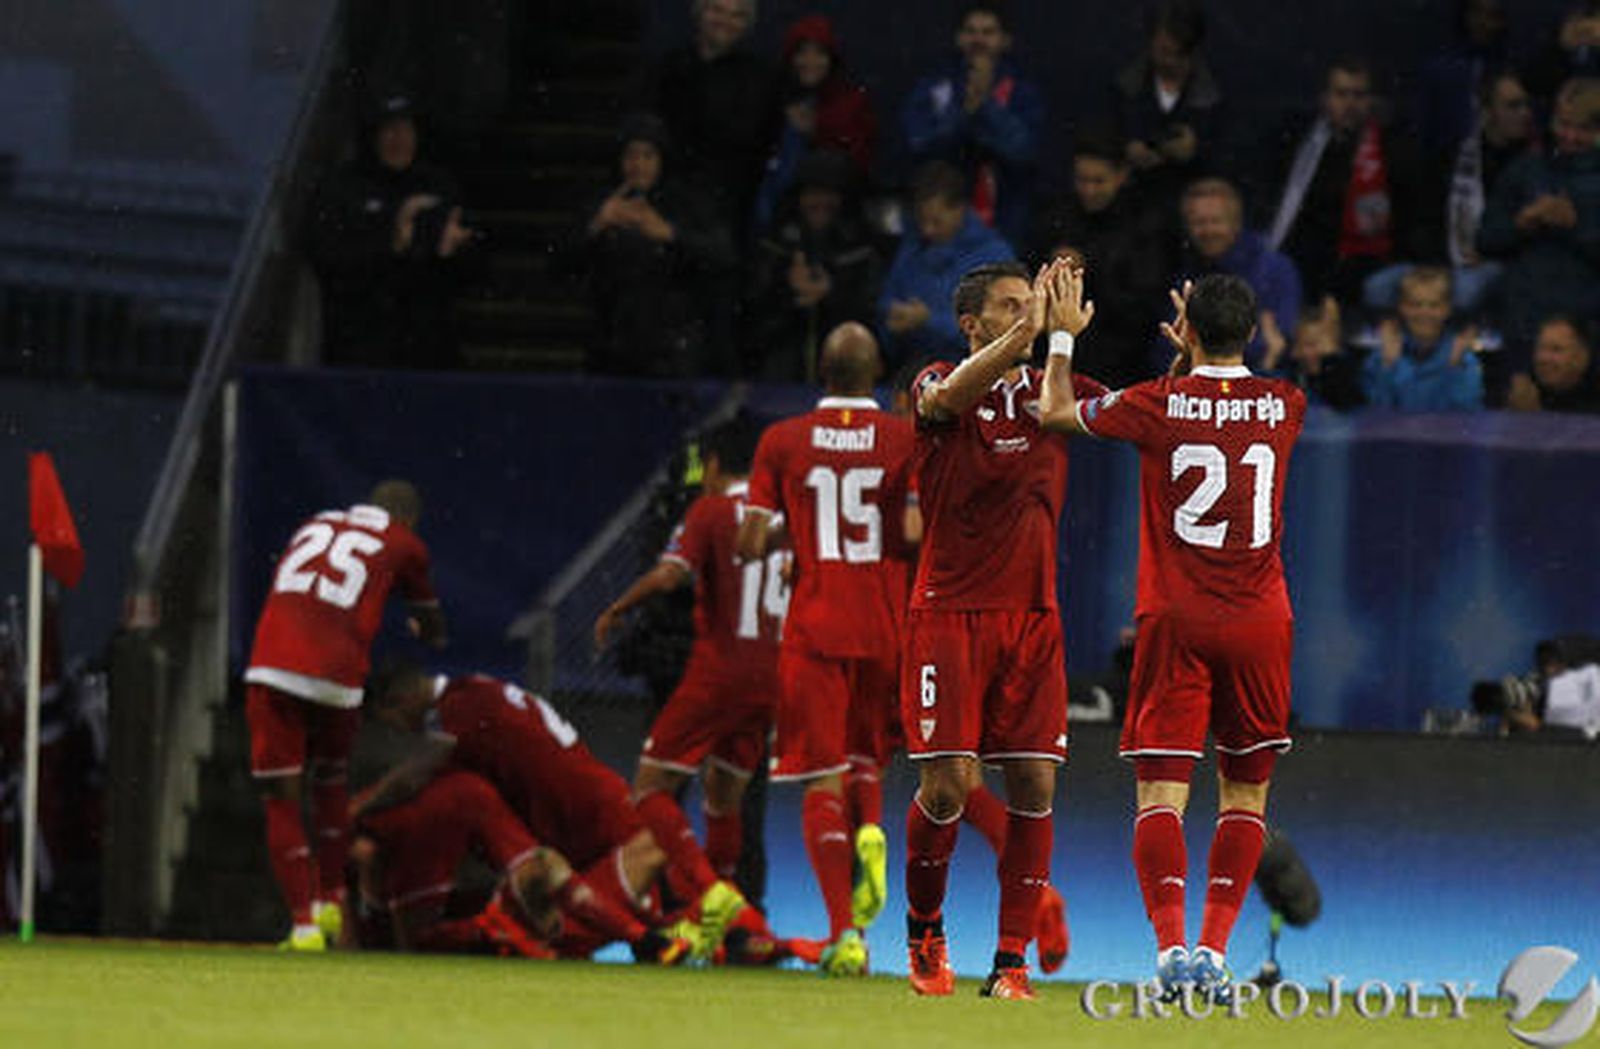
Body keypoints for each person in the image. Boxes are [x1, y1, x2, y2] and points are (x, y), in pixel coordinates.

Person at [1039, 270, 1306, 1007]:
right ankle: (1214, 954)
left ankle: (1169, 951)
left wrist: (1061, 337)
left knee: (1161, 791)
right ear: (1251, 332)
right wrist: (1195, 354)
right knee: (1244, 795)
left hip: (1175, 617)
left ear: (1185, 331)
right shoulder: (1287, 403)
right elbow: (1221, 408)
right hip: (1259, 620)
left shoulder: (1154, 403)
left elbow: (1054, 409)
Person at [898, 260, 1107, 1000]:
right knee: (949, 788)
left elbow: (1132, 415)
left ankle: (1010, 961)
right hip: (948, 613)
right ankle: (925, 929)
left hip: (1032, 618)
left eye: (1032, 303)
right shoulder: (936, 382)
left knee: (1034, 782)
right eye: (1012, 305)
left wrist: (1188, 365)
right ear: (972, 323)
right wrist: (1030, 332)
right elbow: (949, 397)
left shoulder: (1053, 390)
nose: (1029, 313)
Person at [734, 322, 916, 976]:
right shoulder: (904, 437)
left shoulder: (782, 441)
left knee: (820, 775)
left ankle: (846, 935)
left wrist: (802, 532)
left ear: (821, 370)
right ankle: (871, 829)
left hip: (815, 627)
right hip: (884, 624)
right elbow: (915, 532)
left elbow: (749, 545)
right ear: (876, 374)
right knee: (866, 757)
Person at [362, 667, 757, 962]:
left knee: (553, 912)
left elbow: (416, 777)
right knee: (567, 885)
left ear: (398, 701)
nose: (402, 732)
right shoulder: (478, 690)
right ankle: (714, 936)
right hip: (599, 813)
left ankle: (722, 938)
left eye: (391, 722)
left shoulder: (458, 713)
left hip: (600, 828)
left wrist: (358, 810)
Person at [592, 421, 791, 956]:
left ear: (713, 465)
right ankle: (724, 929)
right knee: (725, 799)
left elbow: (670, 576)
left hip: (717, 673)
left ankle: (713, 894)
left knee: (649, 788)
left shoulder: (710, 511)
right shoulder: (784, 516)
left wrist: (619, 606)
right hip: (772, 678)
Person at [244, 479, 446, 951]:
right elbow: (430, 617)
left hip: (275, 664)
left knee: (281, 799)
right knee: (331, 782)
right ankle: (331, 898)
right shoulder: (404, 542)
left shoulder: (315, 523)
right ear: (410, 520)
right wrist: (429, 633)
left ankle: (303, 926)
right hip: (338, 673)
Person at [350, 767, 689, 963]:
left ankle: (657, 937)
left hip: (500, 925)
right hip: (487, 935)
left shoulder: (465, 795)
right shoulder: (460, 799)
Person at [307, 93, 477, 370]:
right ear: (372, 137)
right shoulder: (342, 189)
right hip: (360, 347)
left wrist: (453, 251)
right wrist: (392, 244)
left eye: (407, 130)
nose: (400, 139)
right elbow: (328, 260)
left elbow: (470, 271)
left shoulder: (437, 185)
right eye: (390, 130)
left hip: (429, 348)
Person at [1263, 57, 1428, 305]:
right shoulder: (1302, 143)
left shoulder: (1394, 147)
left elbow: (1412, 215)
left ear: (1372, 101)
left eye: (1358, 95)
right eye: (1341, 94)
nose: (1350, 104)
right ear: (1324, 99)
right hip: (1315, 259)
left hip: (1377, 260)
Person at [584, 113, 736, 377]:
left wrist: (670, 234)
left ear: (662, 159)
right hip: (613, 346)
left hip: (675, 350)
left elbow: (724, 256)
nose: (638, 165)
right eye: (631, 156)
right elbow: (561, 263)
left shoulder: (687, 204)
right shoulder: (605, 203)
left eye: (648, 156)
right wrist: (596, 225)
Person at [1028, 128, 1173, 389]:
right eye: (1082, 180)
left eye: (1098, 181)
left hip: (1121, 366)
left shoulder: (1146, 224)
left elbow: (1144, 307)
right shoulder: (1055, 217)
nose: (1089, 190)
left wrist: (1087, 270)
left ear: (1121, 175)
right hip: (1053, 358)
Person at [1476, 76, 1600, 379]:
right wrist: (1521, 224)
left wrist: (1575, 227)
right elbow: (1485, 240)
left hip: (1587, 316)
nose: (1570, 136)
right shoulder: (1526, 168)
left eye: (1583, 129)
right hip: (1525, 310)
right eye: (1563, 124)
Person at [901, 1, 1044, 247]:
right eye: (971, 31)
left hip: (1005, 221)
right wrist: (964, 114)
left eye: (988, 32)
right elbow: (919, 143)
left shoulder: (1023, 92)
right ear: (958, 38)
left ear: (1005, 40)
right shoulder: (935, 87)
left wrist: (987, 106)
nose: (978, 40)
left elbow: (1024, 150)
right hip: (939, 221)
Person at [637, 0, 777, 242]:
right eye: (717, 10)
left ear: (747, 25)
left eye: (737, 15)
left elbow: (753, 143)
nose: (725, 21)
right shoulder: (668, 66)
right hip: (665, 192)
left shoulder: (760, 77)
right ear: (700, 14)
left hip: (725, 204)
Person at [747, 150, 883, 381]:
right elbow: (752, 316)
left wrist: (831, 294)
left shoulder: (862, 249)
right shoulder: (775, 245)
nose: (820, 202)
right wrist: (789, 291)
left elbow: (873, 316)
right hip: (779, 375)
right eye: (812, 193)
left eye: (829, 193)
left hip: (844, 374)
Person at [878, 161, 1016, 368]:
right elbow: (887, 304)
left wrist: (929, 321)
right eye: (922, 221)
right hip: (911, 369)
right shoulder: (911, 249)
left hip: (973, 373)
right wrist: (892, 321)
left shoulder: (995, 257)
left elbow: (999, 331)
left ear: (960, 210)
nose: (928, 230)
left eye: (936, 221)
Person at [753, 14, 876, 231]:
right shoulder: (773, 100)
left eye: (820, 53)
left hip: (834, 219)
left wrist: (817, 130)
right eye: (802, 52)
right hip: (772, 216)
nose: (810, 61)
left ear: (831, 59)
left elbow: (861, 161)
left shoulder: (852, 102)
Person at [1112, 0, 1227, 214]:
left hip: (1194, 209)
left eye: (1180, 53)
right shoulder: (1125, 86)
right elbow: (1100, 141)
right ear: (1149, 43)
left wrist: (1196, 151)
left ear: (1194, 49)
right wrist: (1127, 148)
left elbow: (1232, 159)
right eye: (1163, 51)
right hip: (1132, 206)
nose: (1170, 61)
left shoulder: (1217, 94)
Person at [1178, 178, 1303, 374]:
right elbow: (1167, 347)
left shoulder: (1273, 269)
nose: (1208, 231)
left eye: (1216, 221)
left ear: (1236, 223)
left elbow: (1277, 345)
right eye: (1199, 223)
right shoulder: (1186, 270)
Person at [1360, 266, 1486, 411]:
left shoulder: (1464, 360)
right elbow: (1375, 412)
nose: (1424, 313)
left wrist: (1454, 367)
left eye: (1434, 305)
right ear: (1402, 308)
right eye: (1415, 305)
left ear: (1447, 309)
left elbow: (1469, 412)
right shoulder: (1380, 358)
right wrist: (1387, 366)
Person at [1507, 313, 1600, 413]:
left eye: (1556, 349)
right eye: (1540, 348)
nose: (1543, 358)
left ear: (1582, 356)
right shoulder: (1526, 387)